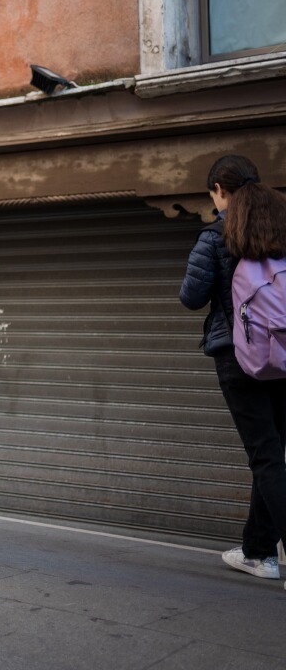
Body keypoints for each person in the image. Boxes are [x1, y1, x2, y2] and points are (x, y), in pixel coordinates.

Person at [179, 154, 286, 590]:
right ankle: (259, 552)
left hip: (239, 358)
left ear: (219, 191)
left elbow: (190, 296)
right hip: (283, 353)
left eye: (213, 195)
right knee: (273, 455)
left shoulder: (216, 235)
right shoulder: (280, 227)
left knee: (264, 456)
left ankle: (266, 551)